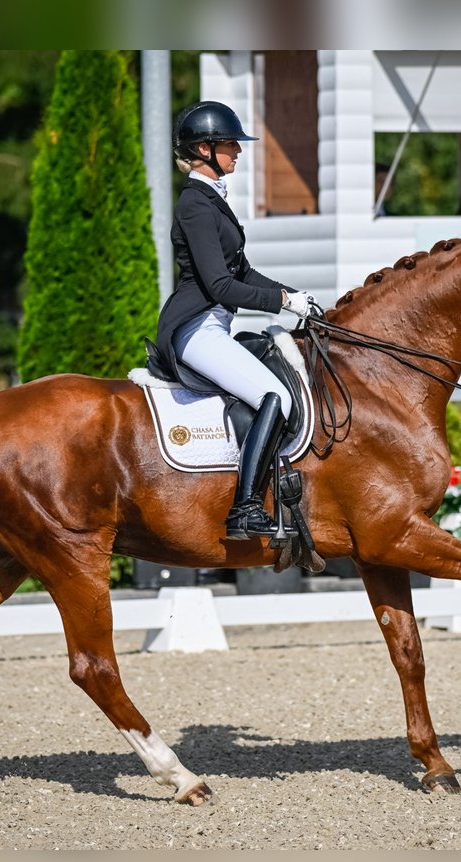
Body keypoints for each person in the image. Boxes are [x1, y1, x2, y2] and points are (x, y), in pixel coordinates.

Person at [156, 100, 316, 540]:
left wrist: (294, 296)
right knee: (275, 395)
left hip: (214, 324)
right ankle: (244, 508)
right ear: (204, 149)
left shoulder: (211, 199)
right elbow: (221, 286)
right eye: (230, 144)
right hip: (194, 327)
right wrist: (281, 299)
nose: (238, 151)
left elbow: (241, 271)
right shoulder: (195, 204)